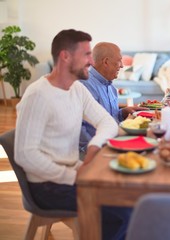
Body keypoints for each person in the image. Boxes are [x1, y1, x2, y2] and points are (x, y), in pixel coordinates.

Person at [14, 29, 131, 240]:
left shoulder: (76, 89)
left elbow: (106, 122)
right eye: (86, 55)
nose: (91, 61)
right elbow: (25, 155)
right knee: (123, 210)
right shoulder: (37, 94)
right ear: (65, 56)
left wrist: (95, 147)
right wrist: (75, 175)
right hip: (48, 186)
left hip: (74, 174)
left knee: (128, 200)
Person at [79, 42, 146, 153]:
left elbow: (107, 117)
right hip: (97, 150)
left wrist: (122, 113)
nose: (122, 65)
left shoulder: (111, 87)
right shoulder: (84, 85)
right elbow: (79, 129)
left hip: (113, 140)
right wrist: (95, 151)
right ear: (106, 62)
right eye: (119, 60)